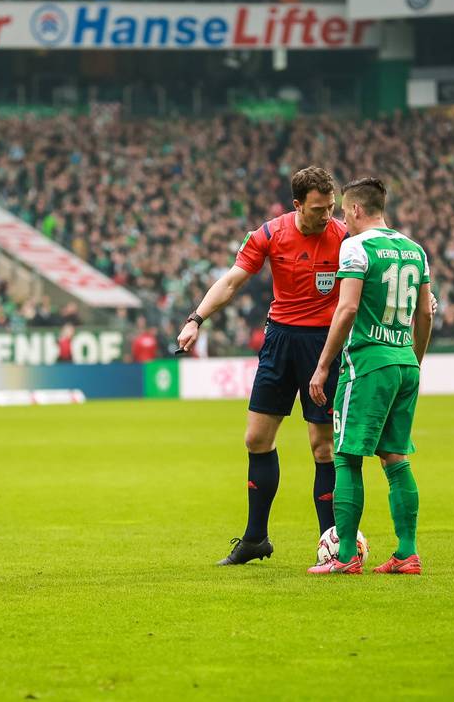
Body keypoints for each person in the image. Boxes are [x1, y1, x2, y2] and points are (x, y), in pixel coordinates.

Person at [177, 166, 348, 565]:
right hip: (280, 341)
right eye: (319, 209)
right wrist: (195, 319)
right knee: (256, 439)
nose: (327, 216)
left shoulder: (345, 237)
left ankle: (332, 545)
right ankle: (256, 539)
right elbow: (232, 281)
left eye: (331, 207)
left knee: (322, 447)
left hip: (324, 345)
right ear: (297, 205)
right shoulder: (269, 235)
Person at [306, 177, 435, 576]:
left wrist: (323, 365)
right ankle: (407, 552)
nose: (342, 219)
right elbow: (426, 313)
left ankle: (344, 556)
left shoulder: (356, 247)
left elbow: (346, 311)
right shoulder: (416, 251)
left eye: (344, 211)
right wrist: (413, 359)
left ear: (357, 209)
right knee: (396, 459)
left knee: (345, 456)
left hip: (366, 364)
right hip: (404, 362)